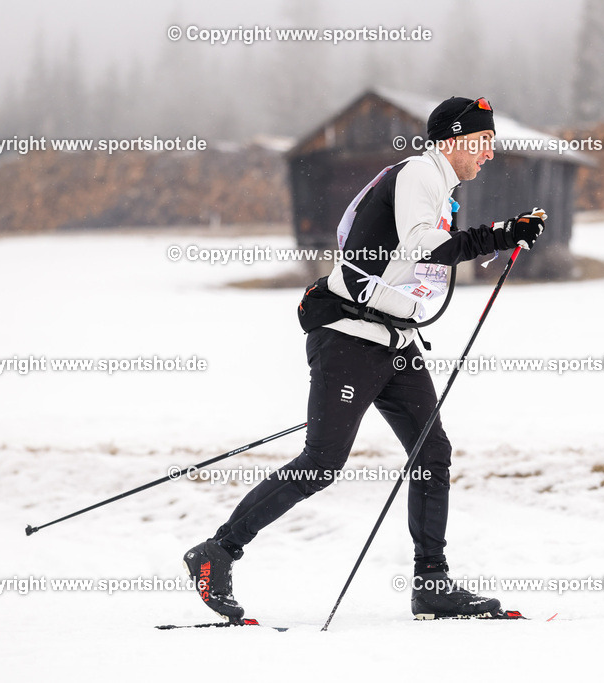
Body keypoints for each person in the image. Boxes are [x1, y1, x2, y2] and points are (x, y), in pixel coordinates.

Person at [185, 96, 546, 620]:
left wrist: (498, 238)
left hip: (394, 342)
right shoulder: (421, 174)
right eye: (482, 142)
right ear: (453, 140)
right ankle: (216, 553)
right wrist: (499, 234)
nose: (489, 154)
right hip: (350, 338)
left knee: (431, 453)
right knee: (323, 463)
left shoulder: (436, 187)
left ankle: (431, 584)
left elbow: (415, 262)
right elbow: (427, 246)